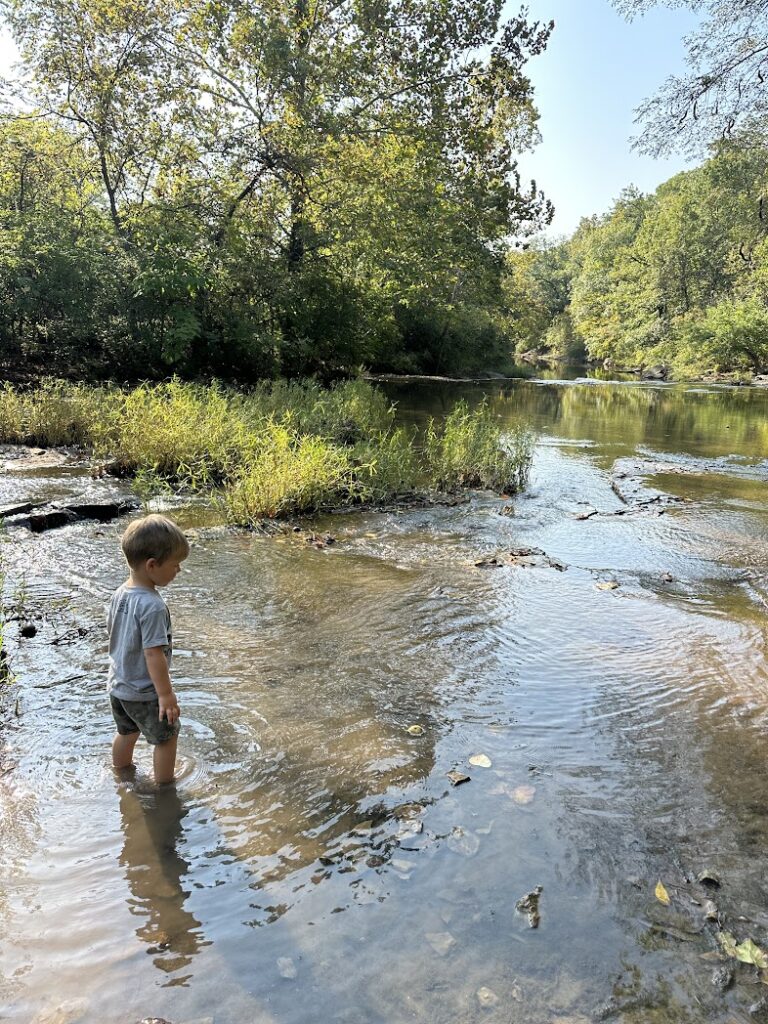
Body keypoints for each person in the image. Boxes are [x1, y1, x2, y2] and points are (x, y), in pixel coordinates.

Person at [107, 514, 190, 784]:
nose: (179, 571)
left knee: (126, 732)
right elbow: (153, 653)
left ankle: (121, 773)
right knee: (167, 738)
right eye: (176, 565)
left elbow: (115, 634)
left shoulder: (120, 593)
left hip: (119, 686)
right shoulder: (152, 605)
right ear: (152, 565)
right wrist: (165, 695)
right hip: (145, 692)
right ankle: (165, 788)